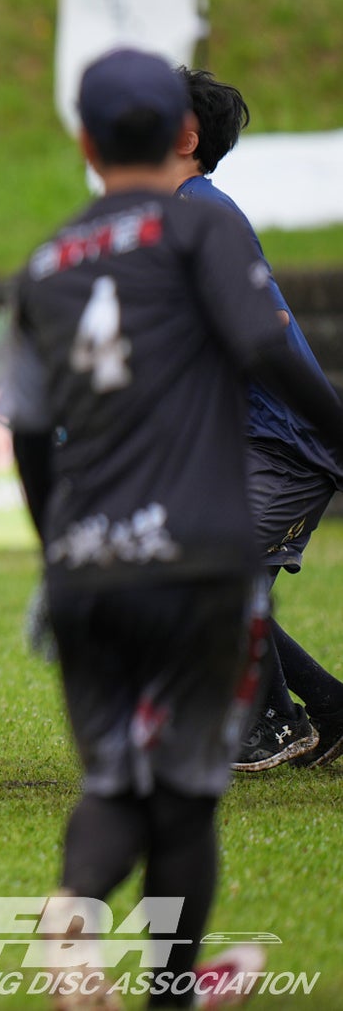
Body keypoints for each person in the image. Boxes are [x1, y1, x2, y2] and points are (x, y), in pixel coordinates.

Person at [0, 49, 343, 1010]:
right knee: (187, 796)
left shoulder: (42, 261)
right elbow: (267, 344)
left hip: (86, 564)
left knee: (114, 784)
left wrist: (54, 542)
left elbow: (27, 432)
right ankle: (169, 988)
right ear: (176, 134)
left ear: (84, 139)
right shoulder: (196, 228)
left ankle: (74, 917)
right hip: (194, 553)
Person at [172, 66, 343, 770]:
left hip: (286, 447)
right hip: (244, 445)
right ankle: (324, 710)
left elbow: (266, 329)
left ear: (185, 136)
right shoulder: (166, 217)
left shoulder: (202, 212)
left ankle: (273, 722)